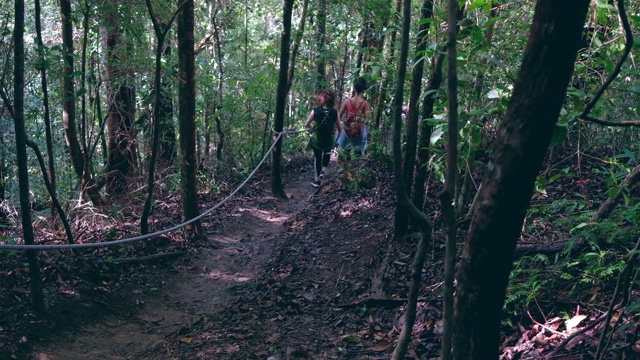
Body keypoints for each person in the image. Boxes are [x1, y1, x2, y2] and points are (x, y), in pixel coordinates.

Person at [305, 89, 341, 188]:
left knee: (317, 157)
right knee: (326, 155)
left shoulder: (315, 111)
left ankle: (317, 180)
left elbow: (306, 125)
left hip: (318, 140)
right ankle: (323, 171)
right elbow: (339, 128)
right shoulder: (334, 112)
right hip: (329, 139)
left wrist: (312, 129)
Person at [337, 77, 372, 155]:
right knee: (357, 154)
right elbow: (369, 120)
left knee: (345, 153)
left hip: (347, 132)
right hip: (359, 133)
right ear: (364, 90)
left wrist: (340, 127)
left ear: (355, 89)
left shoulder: (347, 101)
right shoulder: (365, 103)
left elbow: (338, 116)